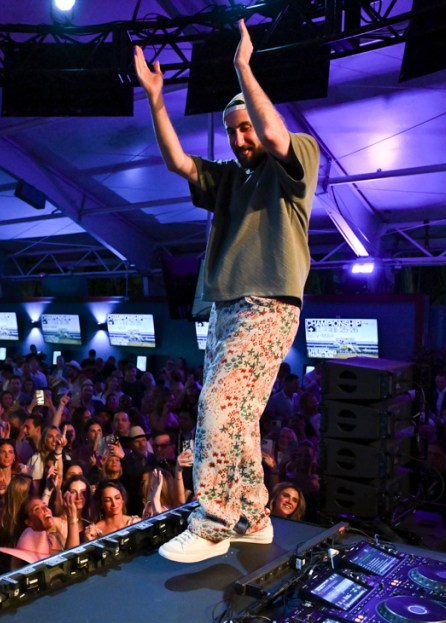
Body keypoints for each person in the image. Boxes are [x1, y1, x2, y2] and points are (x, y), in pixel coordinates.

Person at [136, 20, 320, 563]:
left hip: (268, 304)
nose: (242, 140)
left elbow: (276, 136)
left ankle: (214, 520)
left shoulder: (296, 158)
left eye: (246, 129)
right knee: (233, 416)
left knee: (221, 403)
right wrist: (157, 102)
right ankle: (253, 517)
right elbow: (178, 162)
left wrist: (244, 68)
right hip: (224, 307)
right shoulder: (230, 180)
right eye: (233, 132)